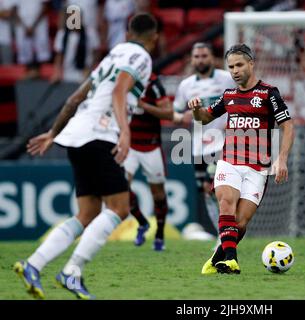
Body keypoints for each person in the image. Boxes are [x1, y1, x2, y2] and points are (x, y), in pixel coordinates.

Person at [14, 13, 158, 299]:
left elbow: (74, 98)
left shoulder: (113, 54)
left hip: (76, 135)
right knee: (119, 208)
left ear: (128, 31)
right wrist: (125, 133)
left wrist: (53, 133)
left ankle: (33, 265)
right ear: (154, 38)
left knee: (87, 213)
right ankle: (71, 273)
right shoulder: (141, 56)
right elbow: (119, 91)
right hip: (99, 134)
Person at [188, 44, 295, 274]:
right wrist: (197, 110)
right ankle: (231, 260)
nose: (235, 71)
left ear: (251, 64)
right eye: (231, 67)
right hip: (229, 161)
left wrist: (282, 159)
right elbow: (205, 118)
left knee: (239, 222)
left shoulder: (268, 93)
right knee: (225, 201)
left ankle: (218, 258)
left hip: (258, 167)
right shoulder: (228, 96)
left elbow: (287, 126)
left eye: (239, 65)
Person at [173, 42, 235, 237]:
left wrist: (233, 123)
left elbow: (242, 99)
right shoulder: (186, 85)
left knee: (222, 190)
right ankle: (221, 234)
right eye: (197, 56)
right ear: (192, 59)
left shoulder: (226, 79)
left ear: (212, 58)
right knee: (207, 192)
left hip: (224, 144)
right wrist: (180, 117)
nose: (200, 60)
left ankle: (228, 232)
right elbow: (175, 111)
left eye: (204, 55)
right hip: (200, 147)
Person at [124, 71, 173, 250]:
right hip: (129, 146)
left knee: (158, 195)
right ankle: (142, 222)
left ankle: (159, 234)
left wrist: (144, 105)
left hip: (151, 147)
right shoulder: (122, 81)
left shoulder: (153, 85)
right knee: (121, 187)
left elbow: (168, 113)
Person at [11, 0, 51, 78]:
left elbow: (46, 7)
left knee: (42, 53)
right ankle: (26, 76)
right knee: (24, 53)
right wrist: (25, 27)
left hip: (39, 24)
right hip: (22, 25)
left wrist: (33, 26)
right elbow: (14, 9)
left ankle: (44, 77)